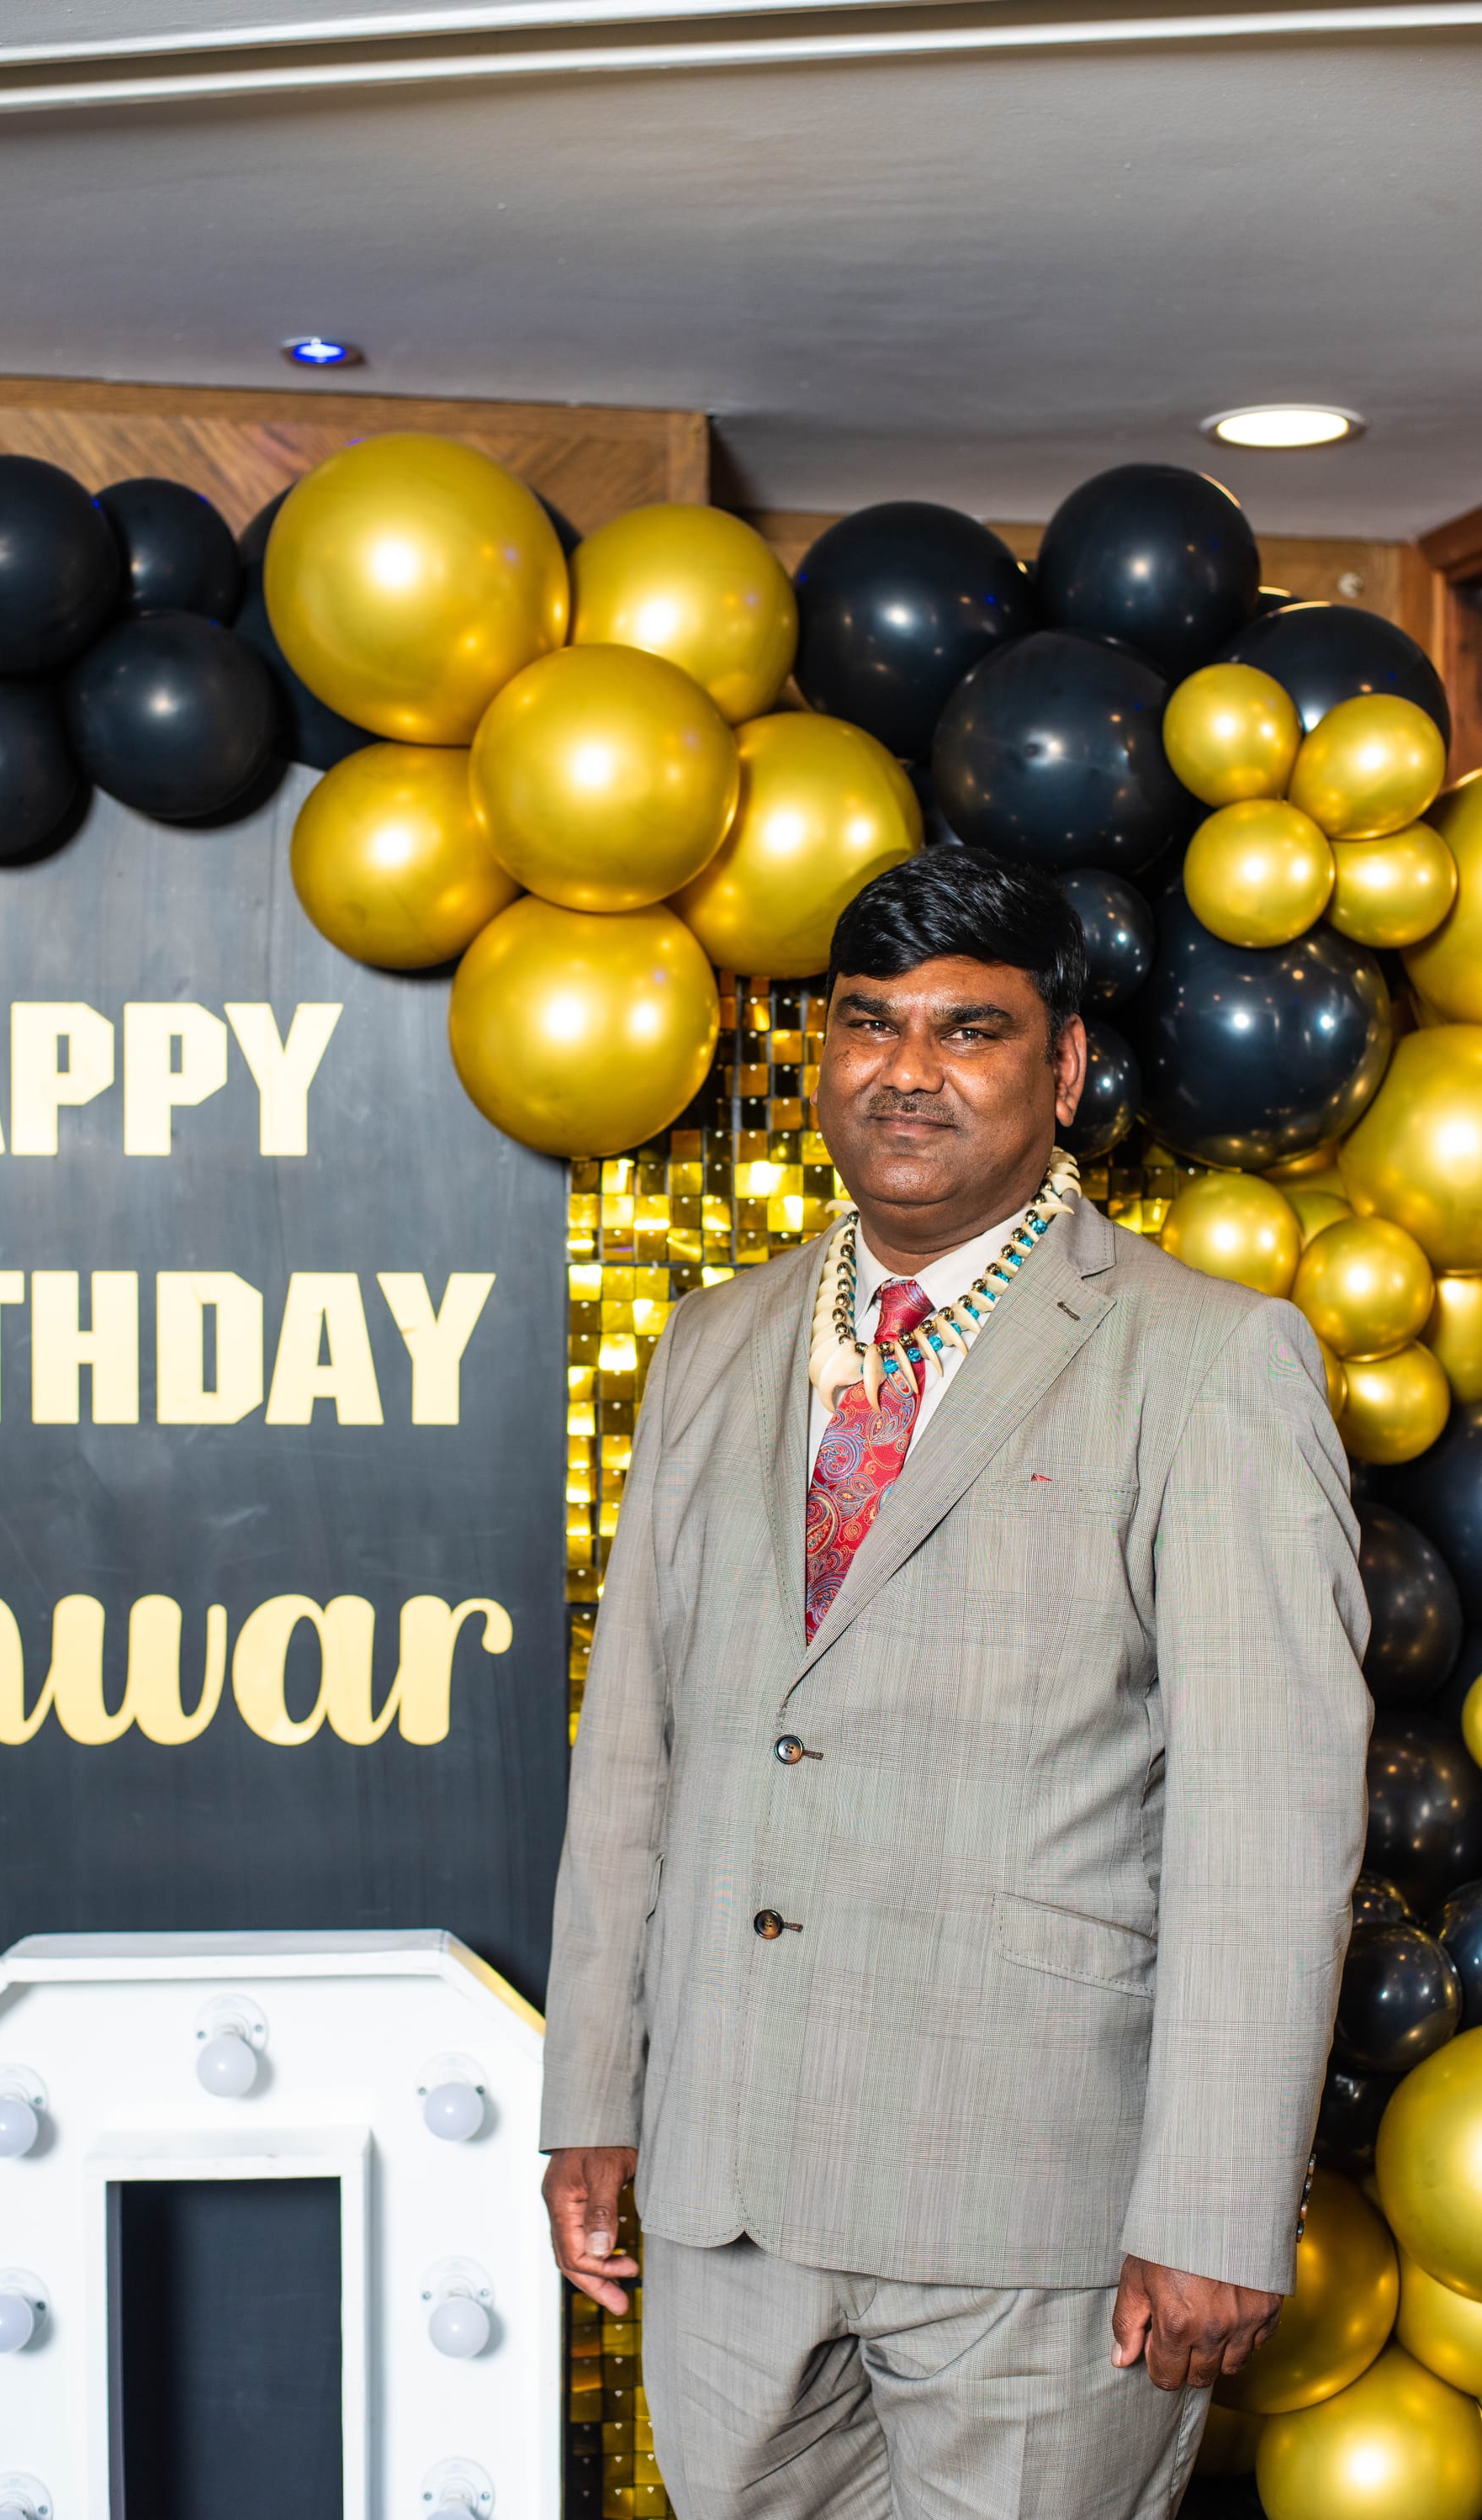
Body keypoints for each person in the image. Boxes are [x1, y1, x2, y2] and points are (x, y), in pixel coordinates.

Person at [540, 847, 1369, 2518]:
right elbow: (634, 1751)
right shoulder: (713, 1343)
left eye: (969, 1029)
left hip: (1036, 2211)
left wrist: (1215, 2204)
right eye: (870, 1023)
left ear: (1062, 1070)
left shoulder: (1209, 1359)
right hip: (728, 2194)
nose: (906, 1070)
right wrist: (595, 2096)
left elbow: (1265, 1816)